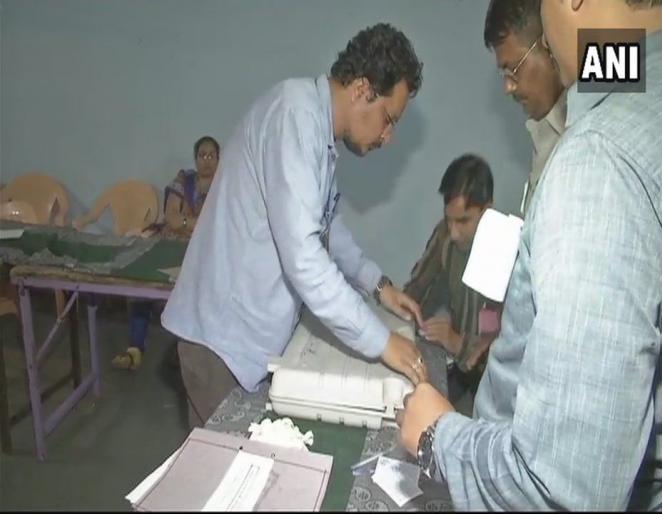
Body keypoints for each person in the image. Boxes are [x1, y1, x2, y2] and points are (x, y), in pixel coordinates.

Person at [397, 0, 662, 510]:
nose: (510, 85)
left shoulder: (600, 160)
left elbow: (564, 485)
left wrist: (437, 436)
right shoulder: (651, 85)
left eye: (515, 66)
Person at [161, 23, 429, 428]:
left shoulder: (316, 131)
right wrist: (381, 341)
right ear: (361, 89)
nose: (387, 137)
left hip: (242, 342)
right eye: (388, 119)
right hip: (220, 343)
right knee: (229, 465)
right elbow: (304, 257)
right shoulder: (295, 116)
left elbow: (327, 225)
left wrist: (378, 284)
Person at [112, 136, 220, 370]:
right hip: (171, 244)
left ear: (218, 159)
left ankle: (184, 351)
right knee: (142, 287)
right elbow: (171, 218)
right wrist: (195, 223)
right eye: (202, 155)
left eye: (212, 155)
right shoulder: (184, 179)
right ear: (195, 158)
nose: (207, 160)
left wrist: (185, 221)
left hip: (203, 249)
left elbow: (217, 224)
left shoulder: (225, 185)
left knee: (194, 291)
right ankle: (135, 349)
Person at [403, 154, 501, 414]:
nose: (454, 232)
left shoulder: (504, 251)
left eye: (463, 221)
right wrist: (402, 318)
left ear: (487, 210)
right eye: (449, 219)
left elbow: (496, 344)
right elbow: (418, 290)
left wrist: (455, 341)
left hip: (492, 384)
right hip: (457, 367)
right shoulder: (446, 235)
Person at [484, 0, 567, 217]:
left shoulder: (599, 126)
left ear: (549, 44)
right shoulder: (545, 134)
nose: (508, 87)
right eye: (504, 74)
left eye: (513, 69)